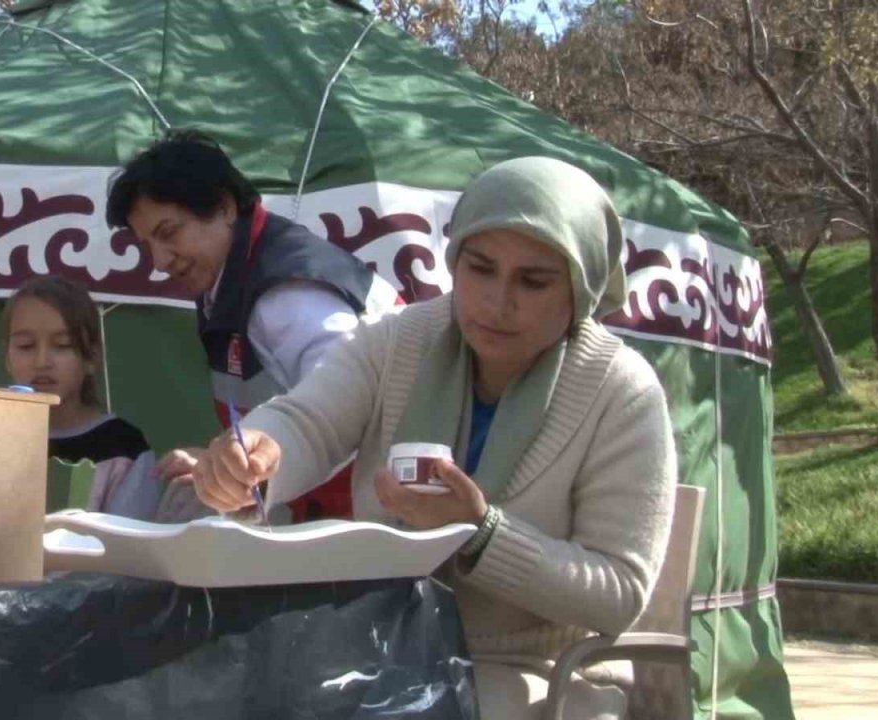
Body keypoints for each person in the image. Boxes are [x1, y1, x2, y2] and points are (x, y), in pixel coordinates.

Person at [192, 157, 678, 719]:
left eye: (534, 281)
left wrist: (481, 535)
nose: (498, 302)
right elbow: (308, 420)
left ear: (580, 286)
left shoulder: (621, 393)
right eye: (479, 268)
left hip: (539, 671)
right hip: (378, 644)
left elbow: (617, 592)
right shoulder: (401, 340)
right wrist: (257, 453)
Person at [106, 129, 400, 522]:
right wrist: (220, 463)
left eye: (168, 233)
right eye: (147, 245)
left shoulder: (287, 294)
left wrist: (243, 474)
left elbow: (346, 411)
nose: (159, 261)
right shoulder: (230, 281)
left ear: (225, 207)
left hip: (371, 523)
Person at [3, 276, 159, 520]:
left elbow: (128, 547)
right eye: (26, 346)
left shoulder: (125, 448)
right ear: (7, 358)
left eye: (63, 345)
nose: (42, 361)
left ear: (91, 358)